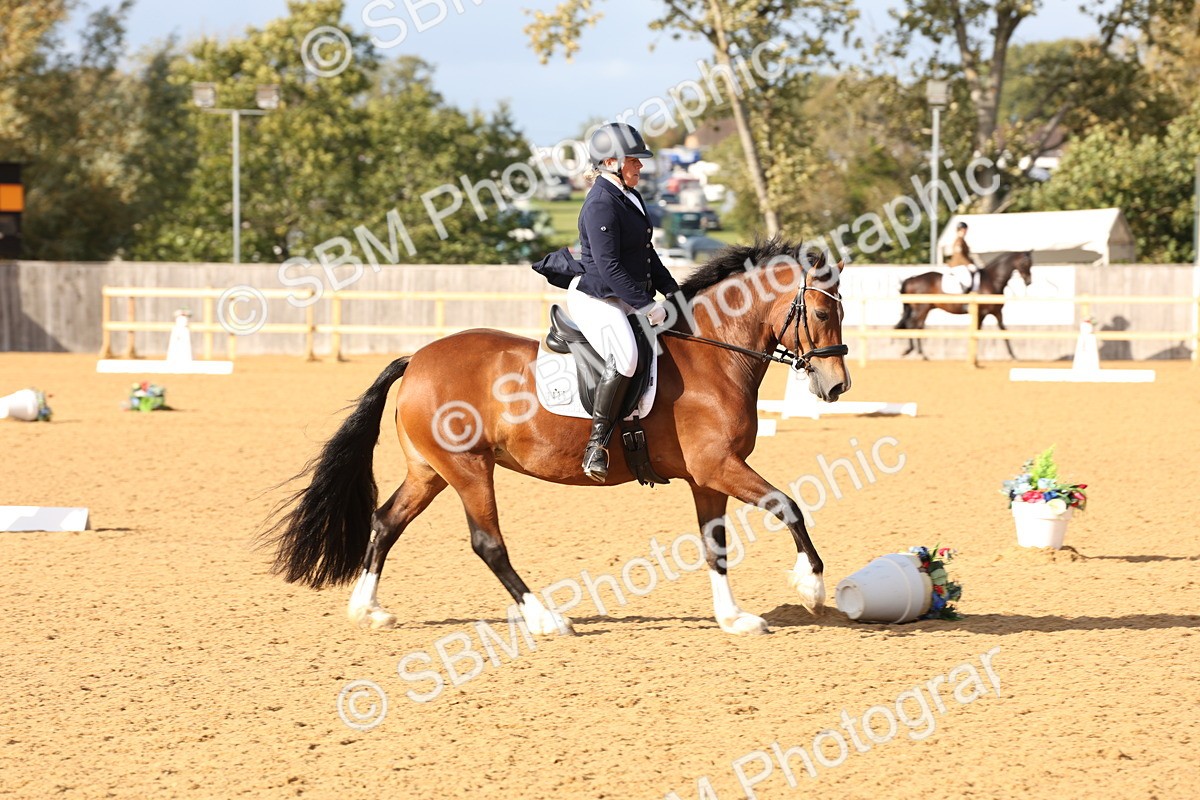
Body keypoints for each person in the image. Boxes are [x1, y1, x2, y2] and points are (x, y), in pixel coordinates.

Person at [568, 122, 680, 482]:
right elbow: (609, 266)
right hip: (599, 298)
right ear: (612, 161)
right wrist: (647, 304)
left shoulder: (629, 195)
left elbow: (648, 255)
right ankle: (596, 445)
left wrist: (677, 294)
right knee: (628, 357)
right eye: (635, 160)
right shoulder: (600, 203)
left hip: (627, 295)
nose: (641, 167)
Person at [946, 221, 977, 293]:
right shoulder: (959, 241)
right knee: (968, 281)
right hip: (958, 265)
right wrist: (968, 264)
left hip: (961, 264)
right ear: (962, 230)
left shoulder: (962, 240)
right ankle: (963, 293)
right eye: (964, 229)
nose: (965, 231)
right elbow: (959, 255)